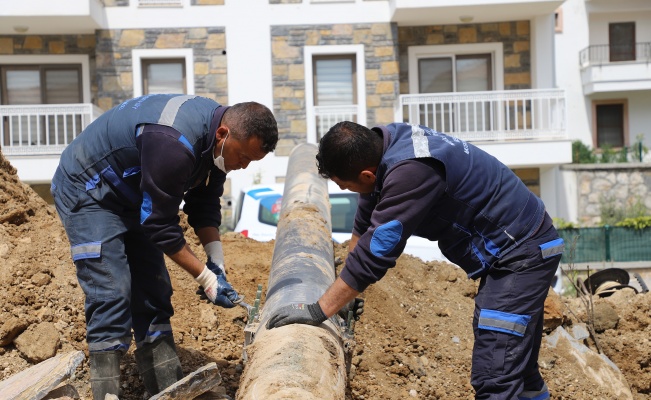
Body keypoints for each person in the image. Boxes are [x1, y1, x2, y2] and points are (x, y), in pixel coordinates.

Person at [266, 121, 564, 400]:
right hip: (518, 245)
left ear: (367, 175)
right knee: (519, 368)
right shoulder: (384, 144)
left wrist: (320, 310)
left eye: (345, 186)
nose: (346, 191)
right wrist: (341, 294)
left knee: (495, 373)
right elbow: (365, 223)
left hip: (522, 252)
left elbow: (377, 251)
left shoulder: (412, 171)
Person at [50, 94, 278, 399]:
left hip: (133, 195)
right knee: (112, 289)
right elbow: (159, 224)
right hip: (89, 190)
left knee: (153, 289)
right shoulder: (173, 141)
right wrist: (206, 279)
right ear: (223, 134)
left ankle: (168, 388)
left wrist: (216, 261)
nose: (243, 165)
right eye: (244, 157)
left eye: (252, 161)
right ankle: (107, 392)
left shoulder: (218, 145)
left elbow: (205, 203)